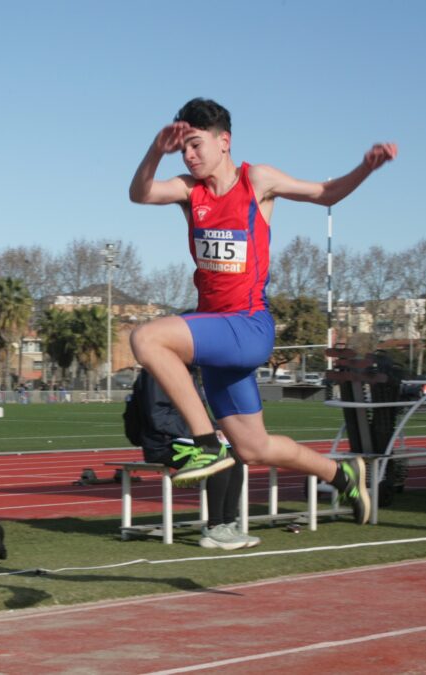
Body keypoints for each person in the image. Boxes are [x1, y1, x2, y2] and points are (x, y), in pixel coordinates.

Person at [128, 98, 397, 524]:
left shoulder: (257, 180)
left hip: (248, 326)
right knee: (253, 447)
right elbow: (140, 193)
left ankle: (205, 444)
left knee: (146, 338)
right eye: (182, 149)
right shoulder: (188, 191)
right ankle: (343, 473)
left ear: (225, 142)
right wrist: (155, 152)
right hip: (217, 336)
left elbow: (326, 193)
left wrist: (365, 167)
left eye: (195, 145)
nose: (189, 155)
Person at [130, 368, 258, 549]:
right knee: (218, 459)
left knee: (236, 459)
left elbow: (199, 413)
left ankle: (228, 526)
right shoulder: (157, 372)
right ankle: (214, 528)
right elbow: (158, 418)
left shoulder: (189, 371)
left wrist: (214, 428)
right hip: (162, 444)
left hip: (184, 438)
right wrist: (201, 433)